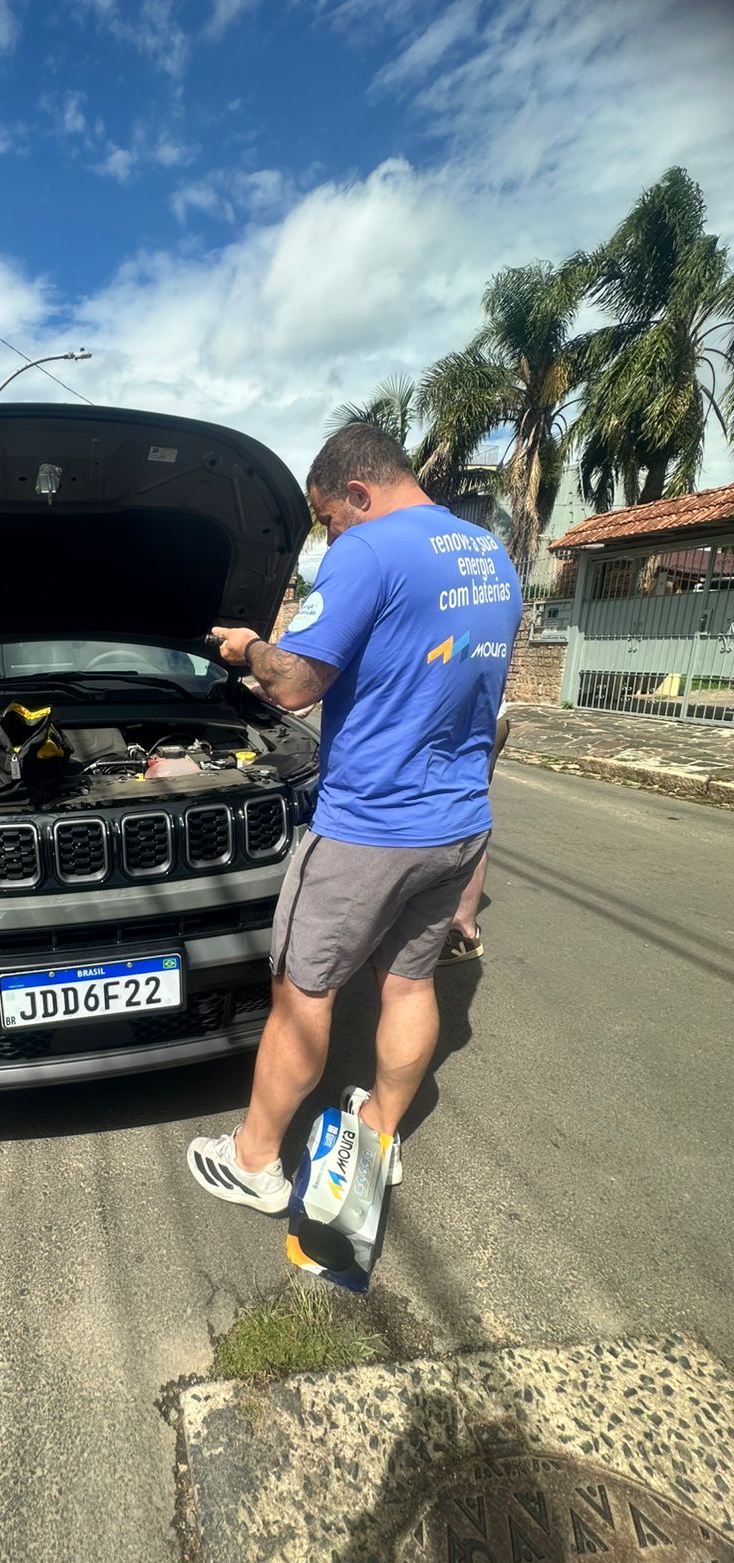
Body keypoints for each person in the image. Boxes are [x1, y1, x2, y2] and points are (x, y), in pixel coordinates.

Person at [187, 423, 522, 1212]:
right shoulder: (491, 556)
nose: (329, 534)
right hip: (458, 824)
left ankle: (254, 1161)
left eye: (329, 518)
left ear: (358, 493)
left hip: (369, 827)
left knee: (303, 997)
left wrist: (246, 650)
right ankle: (376, 1135)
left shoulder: (368, 551)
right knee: (408, 987)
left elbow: (297, 683)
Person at [437, 699, 511, 965]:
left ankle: (462, 932)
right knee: (459, 814)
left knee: (465, 817)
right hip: (472, 715)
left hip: (470, 720)